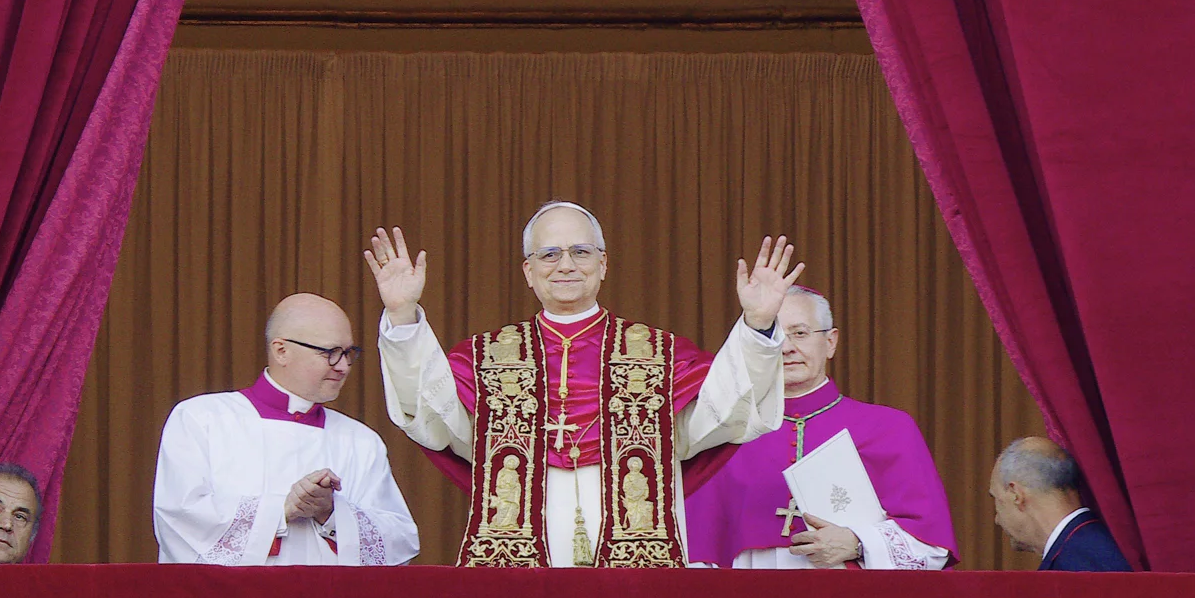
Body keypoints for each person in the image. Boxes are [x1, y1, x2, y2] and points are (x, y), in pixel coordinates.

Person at [366, 202, 800, 568]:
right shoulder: (487, 358)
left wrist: (758, 325)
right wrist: (403, 317)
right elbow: (433, 418)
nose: (567, 264)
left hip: (636, 549)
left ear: (604, 264)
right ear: (528, 271)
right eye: (549, 254)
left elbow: (723, 413)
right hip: (522, 551)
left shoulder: (657, 354)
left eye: (581, 251)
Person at [685, 287, 958, 569]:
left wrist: (857, 542)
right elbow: (695, 549)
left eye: (800, 333)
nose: (787, 347)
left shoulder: (889, 428)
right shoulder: (725, 434)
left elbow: (930, 546)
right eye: (774, 336)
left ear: (830, 342)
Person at [153, 294, 419, 565]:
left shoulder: (361, 441)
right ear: (281, 350)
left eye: (349, 353)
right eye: (330, 353)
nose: (343, 366)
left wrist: (330, 513)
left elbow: (399, 540)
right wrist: (281, 509)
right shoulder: (201, 419)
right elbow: (179, 520)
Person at [988, 436, 1132, 571]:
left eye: (997, 500)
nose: (997, 520)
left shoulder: (1075, 566)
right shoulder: (1106, 544)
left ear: (1016, 495)